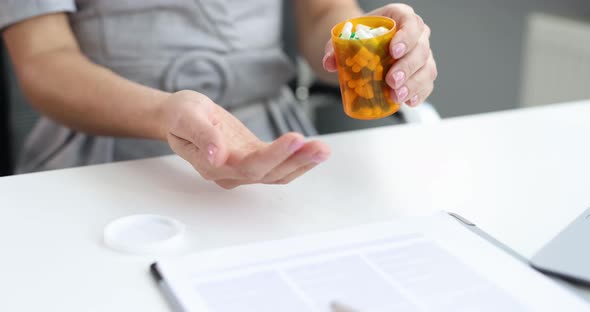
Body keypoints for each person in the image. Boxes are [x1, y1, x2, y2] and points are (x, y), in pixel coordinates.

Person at [0, 1, 437, 189]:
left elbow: (324, 12)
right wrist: (163, 113)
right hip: (105, 152)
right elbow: (44, 59)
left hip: (273, 141)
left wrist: (363, 41)